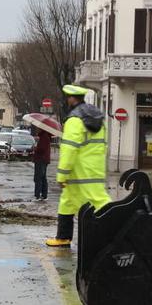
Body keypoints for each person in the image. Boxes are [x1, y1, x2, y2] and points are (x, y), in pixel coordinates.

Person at [46, 85, 111, 248]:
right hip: (93, 169)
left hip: (79, 171)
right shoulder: (98, 119)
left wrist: (62, 175)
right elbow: (103, 146)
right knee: (67, 202)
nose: (67, 100)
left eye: (68, 98)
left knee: (99, 202)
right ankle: (63, 238)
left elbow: (69, 149)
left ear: (71, 99)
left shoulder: (74, 120)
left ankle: (118, 232)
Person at [33, 127, 51, 200]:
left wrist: (35, 148)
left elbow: (42, 149)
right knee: (42, 177)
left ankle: (38, 195)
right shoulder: (44, 136)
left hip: (41, 160)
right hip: (43, 160)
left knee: (39, 177)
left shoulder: (44, 137)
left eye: (38, 128)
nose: (37, 129)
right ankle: (43, 195)